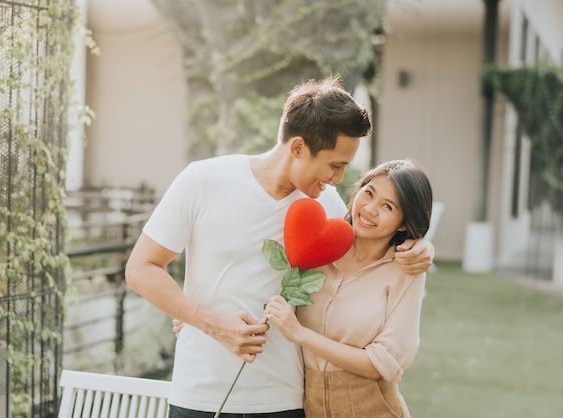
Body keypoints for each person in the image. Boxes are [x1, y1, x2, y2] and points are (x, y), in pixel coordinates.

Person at [124, 77, 434, 418]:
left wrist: (422, 248)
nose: (340, 179)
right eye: (335, 165)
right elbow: (141, 269)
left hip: (284, 401)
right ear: (298, 147)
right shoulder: (202, 181)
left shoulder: (329, 207)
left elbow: (374, 247)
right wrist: (210, 322)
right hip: (199, 394)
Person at [264, 159, 433, 418]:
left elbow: (382, 364)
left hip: (374, 408)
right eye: (369, 193)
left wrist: (299, 334)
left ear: (403, 223)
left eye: (387, 206)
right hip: (309, 406)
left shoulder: (405, 271)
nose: (370, 209)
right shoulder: (319, 252)